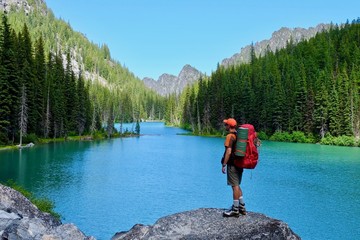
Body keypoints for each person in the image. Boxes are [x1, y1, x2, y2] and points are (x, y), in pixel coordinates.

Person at [221, 118, 246, 217]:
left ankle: (235, 210)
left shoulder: (230, 136)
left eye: (226, 125)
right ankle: (242, 207)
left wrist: (224, 164)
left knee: (234, 186)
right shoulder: (238, 135)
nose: (225, 126)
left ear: (229, 126)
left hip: (232, 164)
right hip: (240, 163)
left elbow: (228, 151)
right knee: (237, 185)